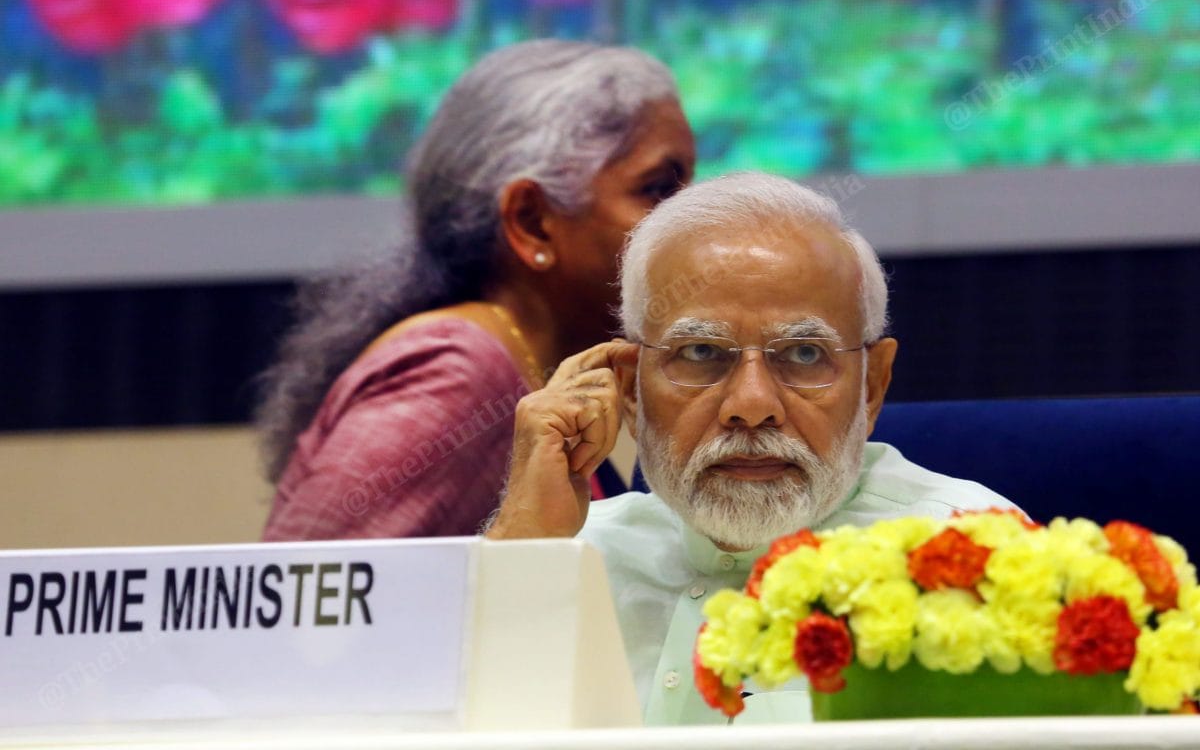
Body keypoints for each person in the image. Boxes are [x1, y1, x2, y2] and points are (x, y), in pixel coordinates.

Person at [486, 171, 1018, 725]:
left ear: (872, 387)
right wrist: (524, 545)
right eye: (700, 352)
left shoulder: (972, 558)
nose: (752, 404)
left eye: (805, 355)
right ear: (630, 389)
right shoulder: (563, 554)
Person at [258, 40, 696, 540]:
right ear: (532, 222)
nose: (691, 222)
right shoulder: (458, 372)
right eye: (658, 190)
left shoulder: (526, 365)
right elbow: (304, 599)